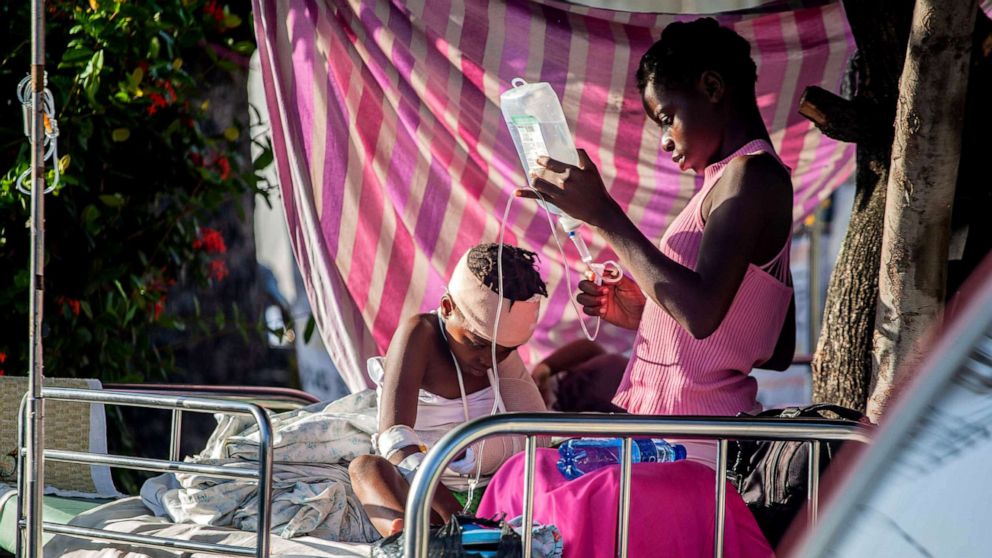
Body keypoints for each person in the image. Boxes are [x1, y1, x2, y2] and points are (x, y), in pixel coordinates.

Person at [478, 17, 794, 557]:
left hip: (688, 454)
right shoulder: (725, 184)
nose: (665, 139)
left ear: (713, 88)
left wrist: (604, 215)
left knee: (560, 498)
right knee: (524, 475)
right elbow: (775, 344)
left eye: (667, 117)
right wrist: (648, 312)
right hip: (658, 440)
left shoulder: (752, 178)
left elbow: (700, 311)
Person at [348, 243, 549, 537]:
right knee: (366, 468)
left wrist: (476, 455)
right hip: (427, 494)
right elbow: (394, 437)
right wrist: (458, 519)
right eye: (478, 344)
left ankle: (442, 540)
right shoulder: (420, 334)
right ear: (446, 308)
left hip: (495, 492)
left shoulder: (497, 351)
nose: (488, 360)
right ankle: (406, 539)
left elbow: (538, 434)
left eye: (504, 351)